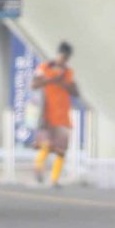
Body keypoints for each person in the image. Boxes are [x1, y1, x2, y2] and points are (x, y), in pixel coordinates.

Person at [31, 42, 78, 187]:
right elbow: (34, 85)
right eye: (62, 56)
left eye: (66, 58)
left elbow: (75, 92)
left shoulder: (68, 72)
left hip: (63, 116)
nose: (63, 60)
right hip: (47, 114)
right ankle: (38, 167)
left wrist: (64, 83)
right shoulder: (44, 68)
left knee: (61, 150)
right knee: (46, 145)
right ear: (58, 55)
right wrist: (52, 79)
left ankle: (55, 179)